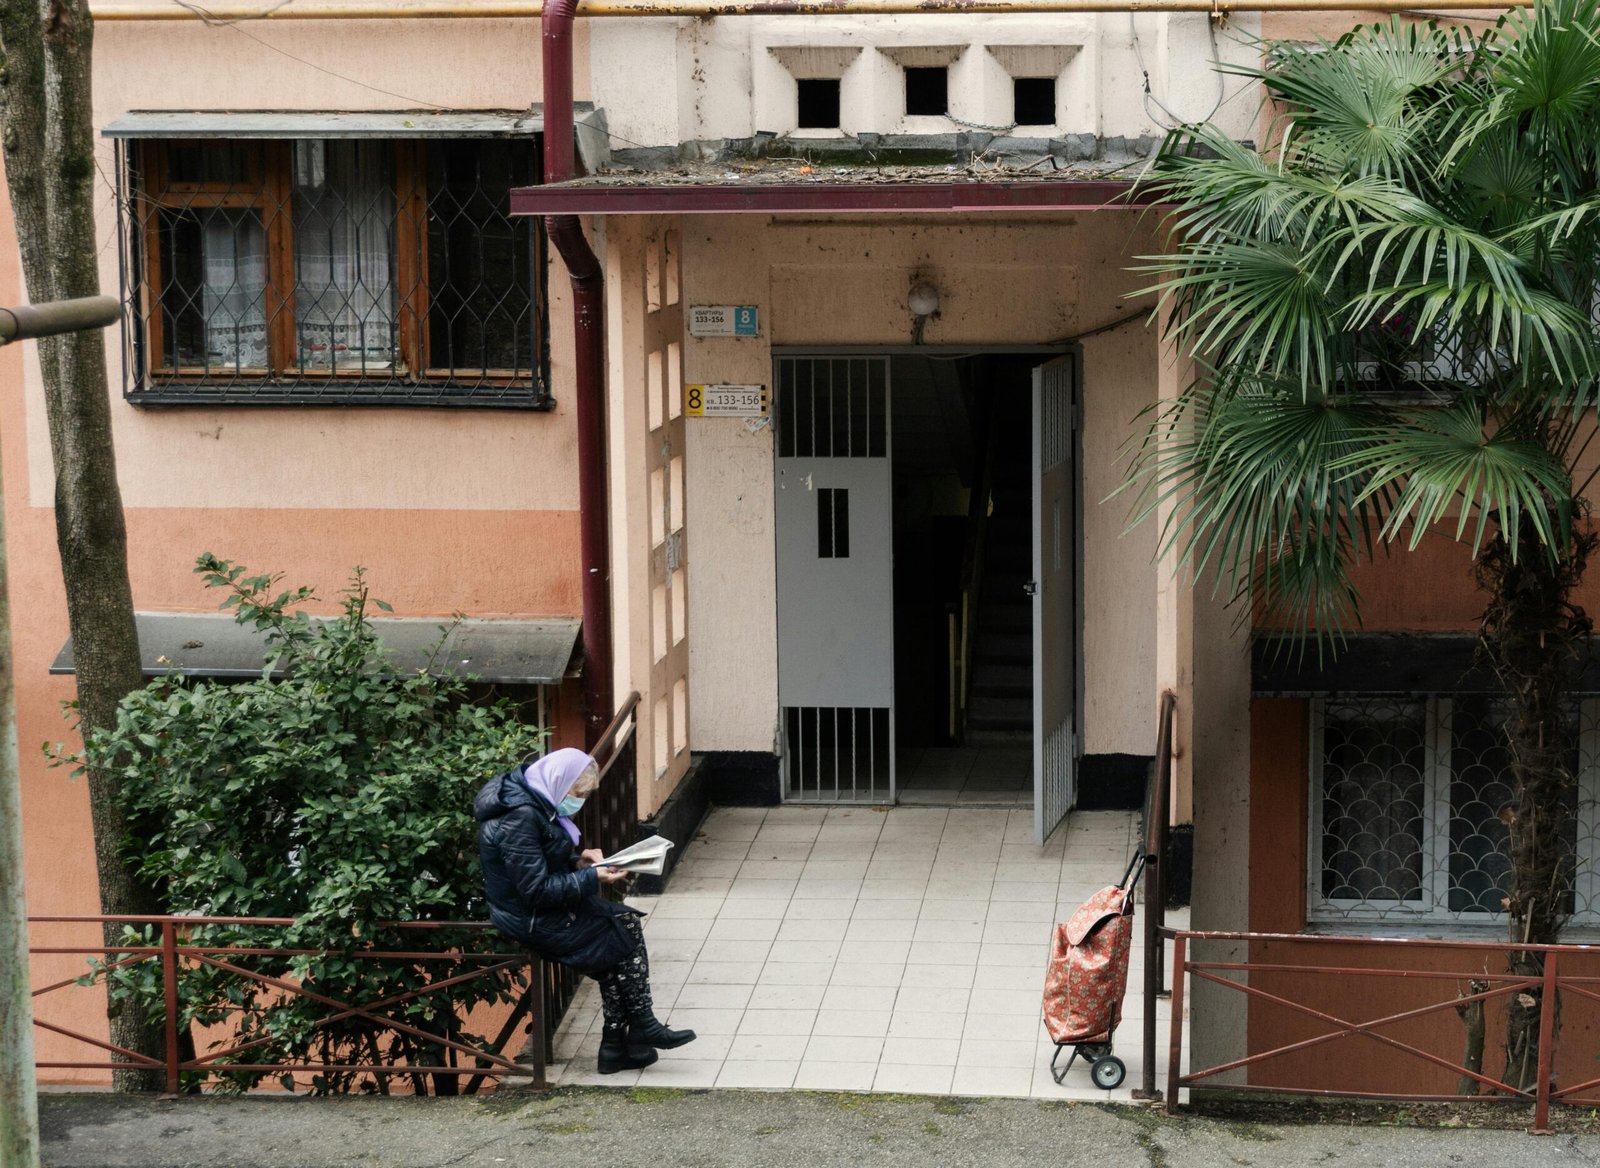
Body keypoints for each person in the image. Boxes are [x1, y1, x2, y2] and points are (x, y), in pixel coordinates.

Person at [474, 747, 696, 1074]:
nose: (579, 802)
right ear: (558, 783)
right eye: (577, 794)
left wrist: (579, 861)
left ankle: (623, 1041)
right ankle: (634, 1033)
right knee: (620, 940)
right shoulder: (519, 816)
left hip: (539, 909)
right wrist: (591, 876)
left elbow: (541, 863)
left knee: (623, 931)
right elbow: (534, 890)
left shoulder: (534, 803)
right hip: (529, 918)